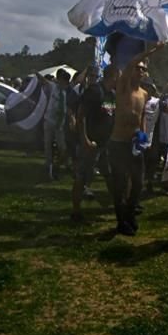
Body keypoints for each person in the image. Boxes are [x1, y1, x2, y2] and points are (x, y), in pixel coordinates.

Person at [109, 44, 163, 235]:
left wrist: (143, 136)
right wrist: (150, 51)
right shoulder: (123, 86)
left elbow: (140, 117)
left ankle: (129, 214)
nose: (139, 71)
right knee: (120, 184)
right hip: (118, 143)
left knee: (138, 183)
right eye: (137, 68)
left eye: (143, 69)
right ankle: (121, 221)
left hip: (134, 145)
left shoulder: (144, 94)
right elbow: (131, 62)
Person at [71, 65, 118, 221]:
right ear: (113, 75)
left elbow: (109, 115)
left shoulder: (110, 94)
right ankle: (76, 212)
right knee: (82, 176)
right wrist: (84, 139)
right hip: (91, 142)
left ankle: (118, 205)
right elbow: (81, 115)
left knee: (109, 174)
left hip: (104, 144)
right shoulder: (94, 91)